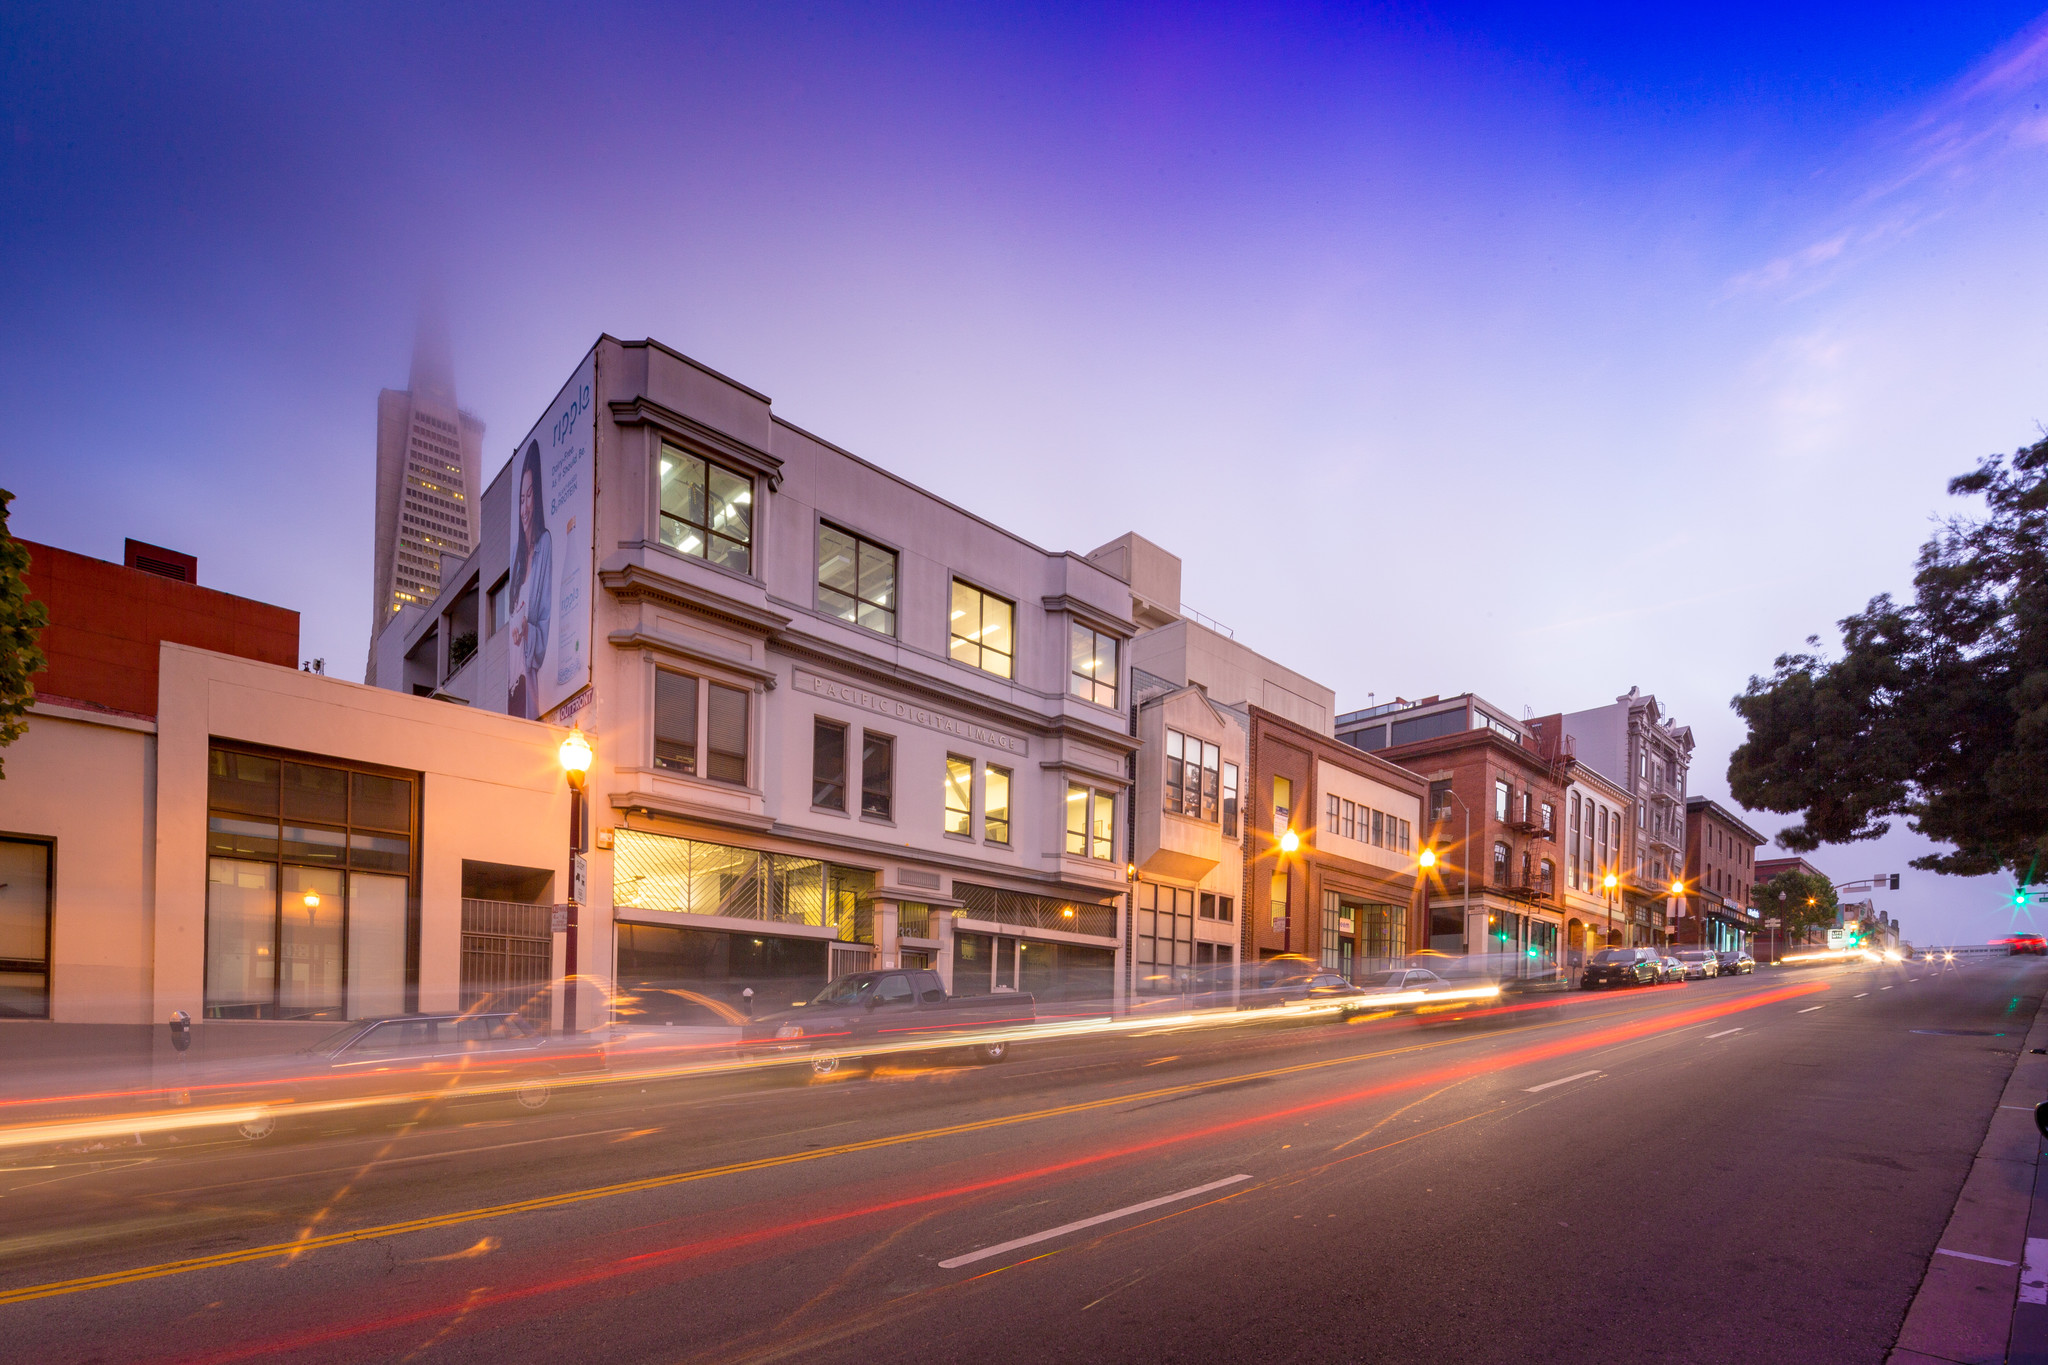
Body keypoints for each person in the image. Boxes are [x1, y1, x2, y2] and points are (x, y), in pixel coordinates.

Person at [507, 440, 551, 719]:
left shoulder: (545, 543)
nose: (524, 508)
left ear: (539, 498)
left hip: (529, 686)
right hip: (511, 687)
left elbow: (544, 630)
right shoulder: (516, 555)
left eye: (530, 496)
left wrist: (526, 628)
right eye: (520, 499)